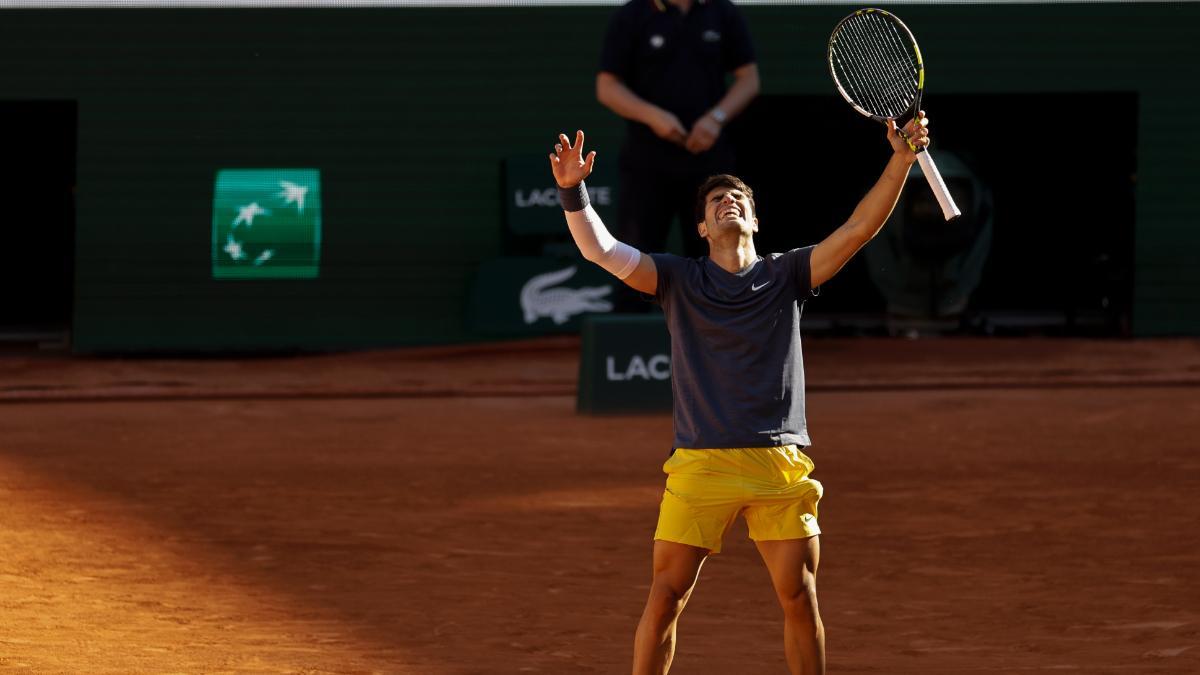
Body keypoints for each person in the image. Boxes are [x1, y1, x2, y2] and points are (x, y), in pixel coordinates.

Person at [547, 113, 933, 675]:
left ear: (755, 218)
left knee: (799, 595)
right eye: (715, 202)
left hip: (778, 463)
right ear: (702, 229)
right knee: (665, 596)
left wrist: (900, 160)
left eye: (737, 199)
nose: (726, 203)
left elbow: (857, 230)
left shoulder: (789, 274)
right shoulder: (677, 278)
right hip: (701, 464)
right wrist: (571, 191)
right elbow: (601, 251)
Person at [597, 0, 760, 307]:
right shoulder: (633, 14)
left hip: (709, 162)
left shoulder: (722, 12)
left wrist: (716, 118)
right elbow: (607, 87)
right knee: (635, 257)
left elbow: (749, 78)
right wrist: (653, 116)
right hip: (646, 163)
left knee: (716, 254)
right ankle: (631, 347)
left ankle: (722, 336)